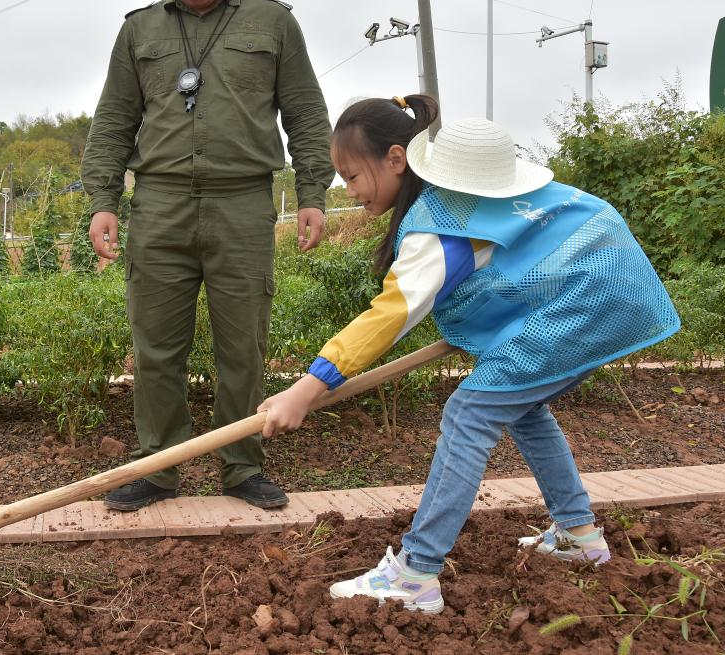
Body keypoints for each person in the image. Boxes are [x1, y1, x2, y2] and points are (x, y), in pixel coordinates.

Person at [258, 96, 680, 613]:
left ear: (396, 159)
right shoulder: (466, 206)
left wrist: (307, 387)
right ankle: (579, 536)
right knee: (522, 408)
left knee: (469, 413)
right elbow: (527, 262)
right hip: (610, 295)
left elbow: (389, 316)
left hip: (587, 303)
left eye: (351, 175)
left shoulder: (441, 226)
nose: (348, 190)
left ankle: (416, 572)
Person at [80, 0, 334, 511]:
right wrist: (103, 201)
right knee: (155, 348)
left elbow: (305, 112)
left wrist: (312, 193)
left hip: (243, 201)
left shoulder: (273, 22)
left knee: (243, 345)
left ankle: (241, 466)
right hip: (158, 204)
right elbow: (113, 120)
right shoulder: (140, 29)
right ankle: (158, 468)